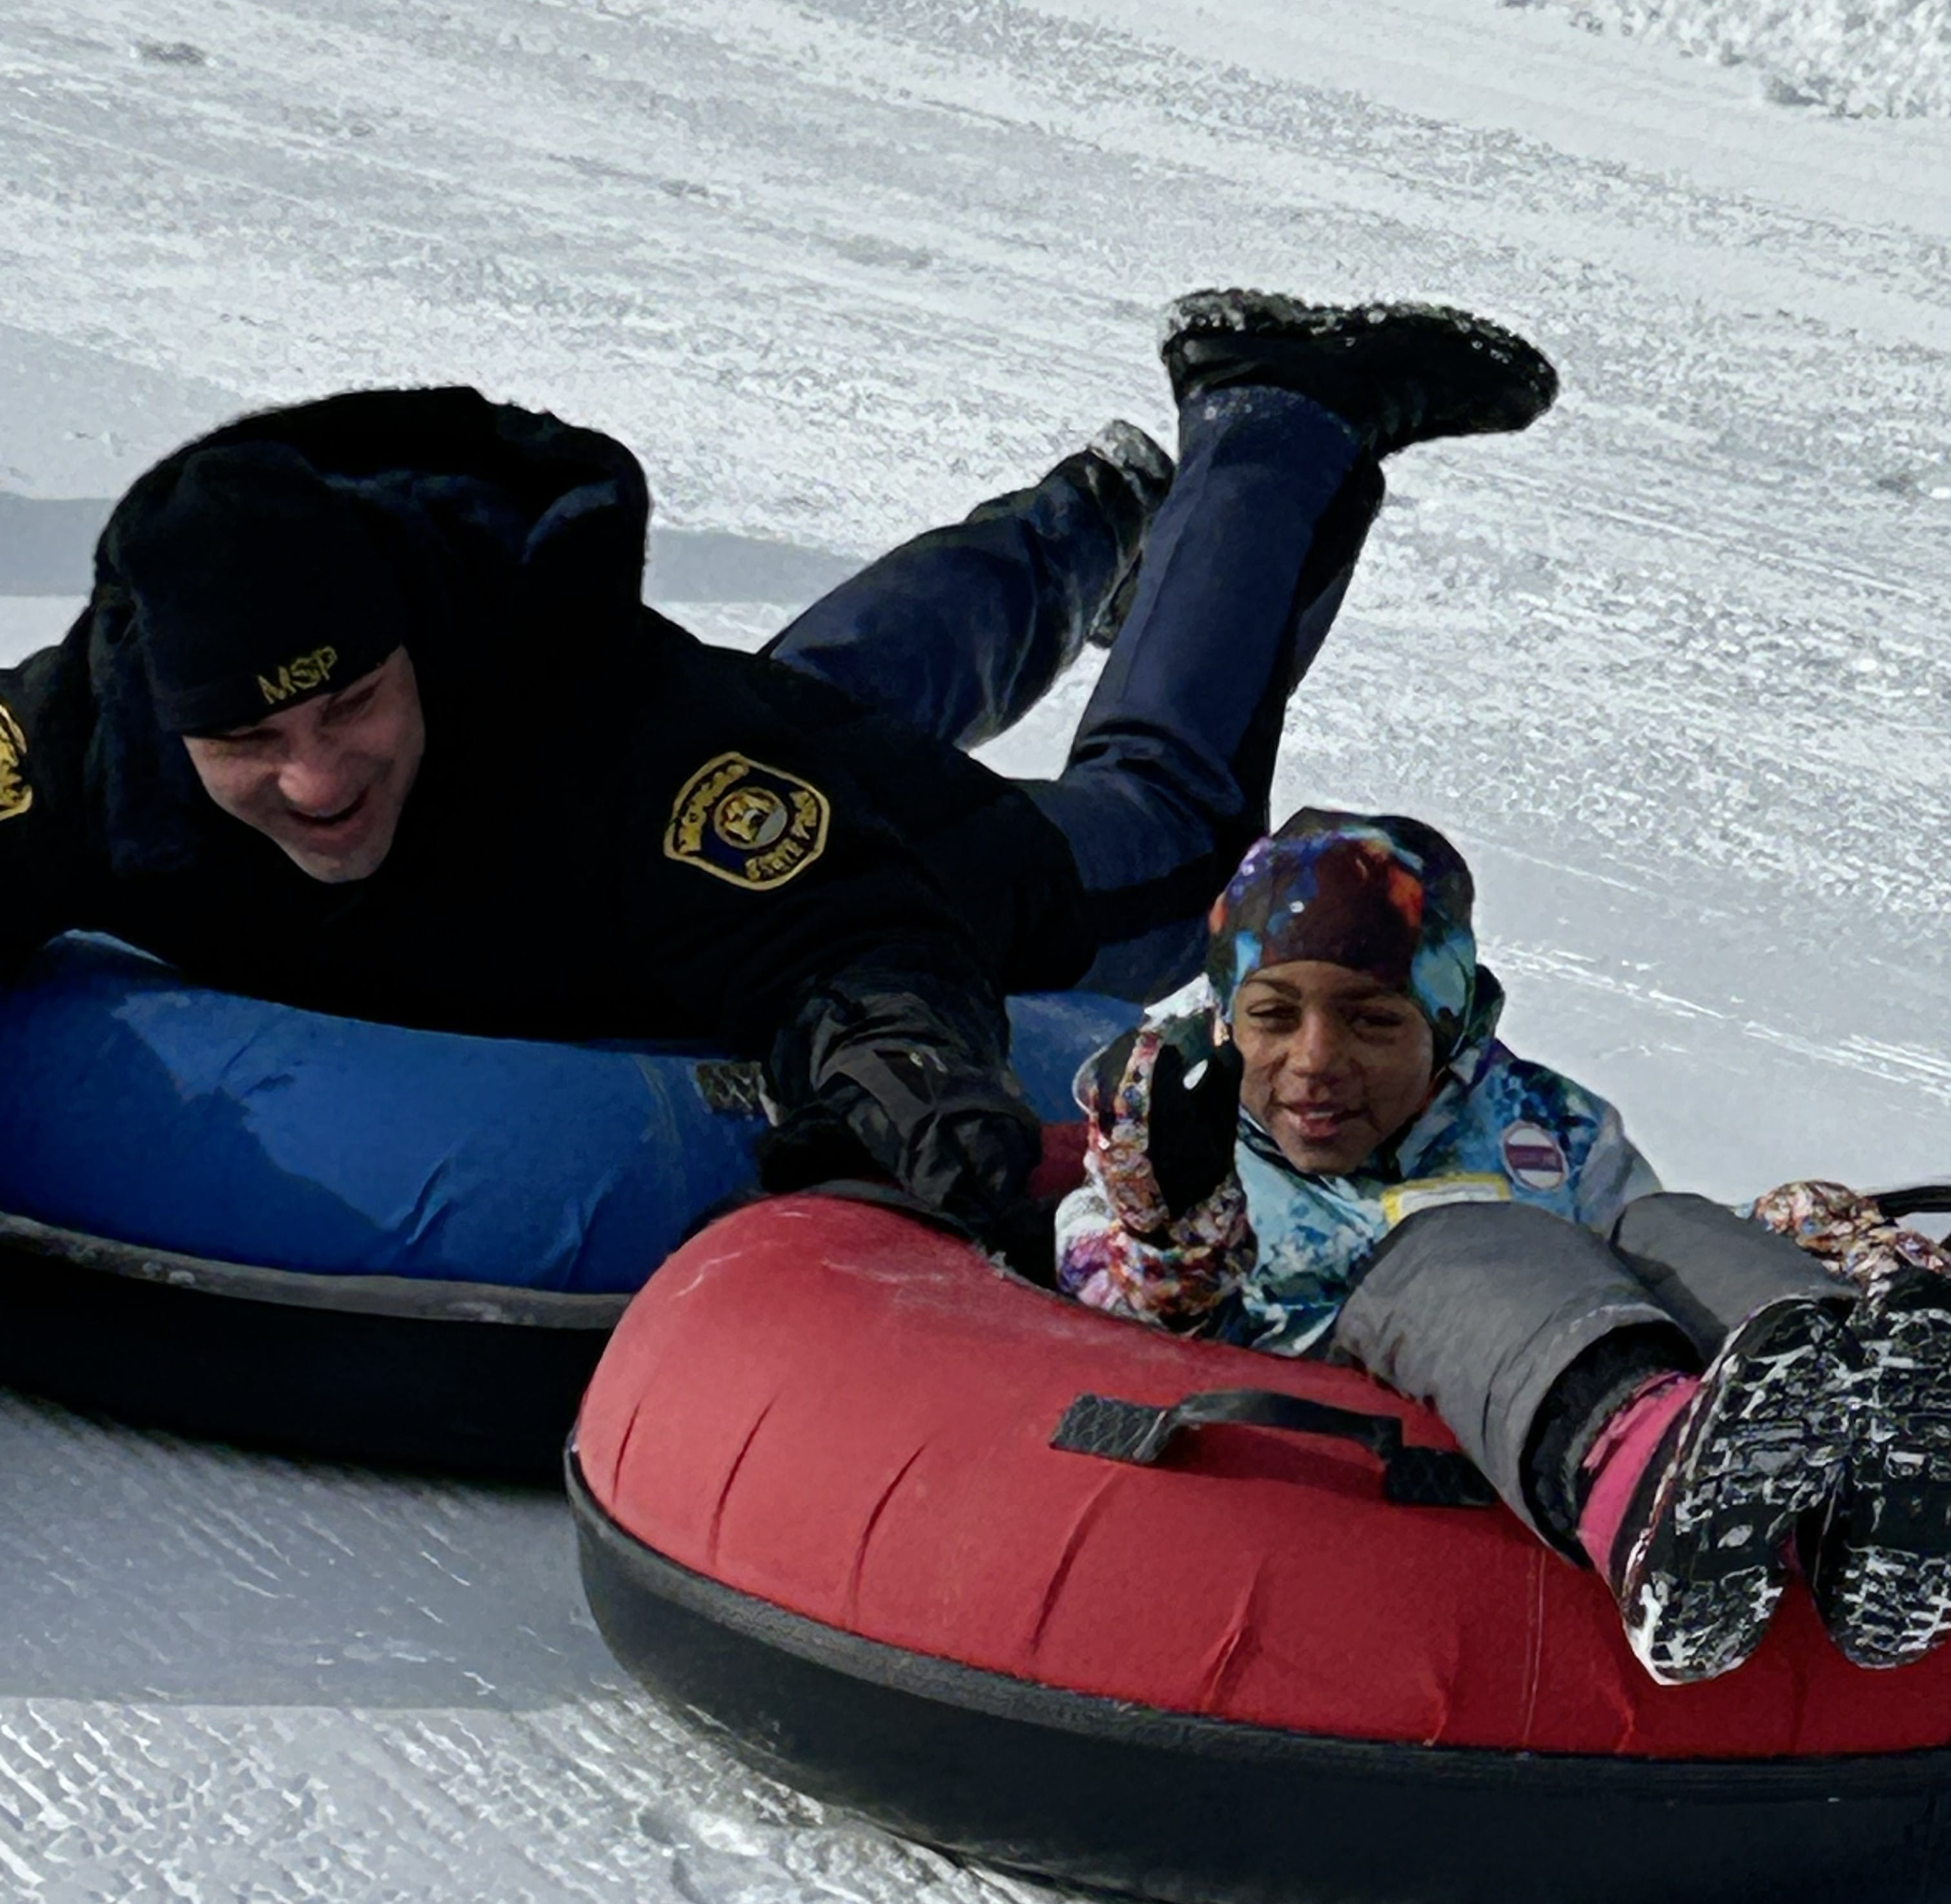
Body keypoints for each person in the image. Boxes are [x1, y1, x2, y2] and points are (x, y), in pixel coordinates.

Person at [0, 292, 1554, 1260]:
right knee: (788, 714)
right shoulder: (83, 739)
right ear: (159, 709)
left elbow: (842, 937)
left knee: (1163, 826)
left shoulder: (599, 729)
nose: (317, 776)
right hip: (722, 776)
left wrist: (903, 1073)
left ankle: (1278, 413)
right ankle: (1083, 517)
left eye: (349, 704)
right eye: (249, 746)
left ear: (416, 645)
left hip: (883, 854)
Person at [1056, 810, 1951, 1685]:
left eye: (1372, 1021)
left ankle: (1871, 1463)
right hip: (1330, 1446)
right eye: (1273, 1016)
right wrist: (1171, 1228)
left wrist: (1784, 1244)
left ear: (1445, 1025)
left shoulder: (1544, 1125)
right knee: (1452, 1247)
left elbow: (1638, 1264)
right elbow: (1100, 1328)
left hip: (1549, 1356)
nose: (1316, 1057)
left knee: (1665, 1226)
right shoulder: (1173, 1137)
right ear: (1224, 1017)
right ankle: (1648, 1483)